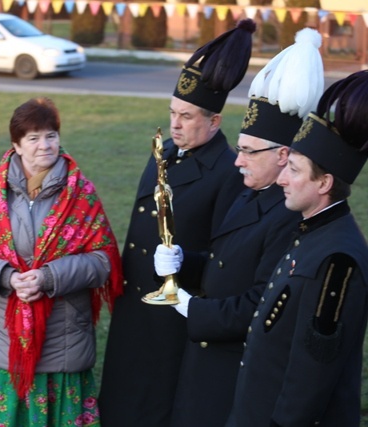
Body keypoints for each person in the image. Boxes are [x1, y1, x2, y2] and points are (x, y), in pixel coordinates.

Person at [153, 28, 325, 426]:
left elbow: (259, 303)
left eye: (248, 151)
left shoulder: (288, 216)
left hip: (234, 366)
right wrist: (186, 261)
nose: (237, 160)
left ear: (283, 155)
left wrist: (192, 307)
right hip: (206, 359)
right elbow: (225, 262)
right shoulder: (251, 192)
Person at [99, 19, 255, 426]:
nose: (175, 124)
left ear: (214, 122)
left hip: (172, 315)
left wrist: (186, 260)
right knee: (120, 399)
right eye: (172, 113)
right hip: (133, 303)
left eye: (186, 116)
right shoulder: (167, 152)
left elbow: (226, 255)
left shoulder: (227, 171)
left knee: (154, 406)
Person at [0, 97, 123, 426]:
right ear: (16, 145)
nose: (45, 145)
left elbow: (103, 261)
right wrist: (7, 278)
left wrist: (49, 276)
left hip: (63, 341)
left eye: (51, 135)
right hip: (4, 341)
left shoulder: (80, 191)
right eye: (33, 138)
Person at [226, 70, 368, 426]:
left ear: (325, 183)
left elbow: (313, 375)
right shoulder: (312, 231)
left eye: (294, 169)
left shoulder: (338, 259)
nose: (283, 179)